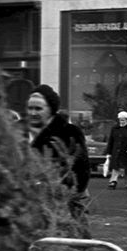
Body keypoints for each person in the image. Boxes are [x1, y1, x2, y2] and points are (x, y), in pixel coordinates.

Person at [25, 84, 90, 221]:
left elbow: (81, 170)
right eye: (30, 108)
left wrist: (66, 195)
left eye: (38, 109)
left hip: (63, 202)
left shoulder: (69, 132)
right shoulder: (20, 131)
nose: (33, 113)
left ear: (51, 109)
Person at [106, 110, 127, 191]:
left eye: (123, 120)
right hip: (116, 151)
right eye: (120, 120)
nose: (121, 122)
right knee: (115, 167)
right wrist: (108, 152)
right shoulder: (114, 128)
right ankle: (113, 181)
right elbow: (111, 141)